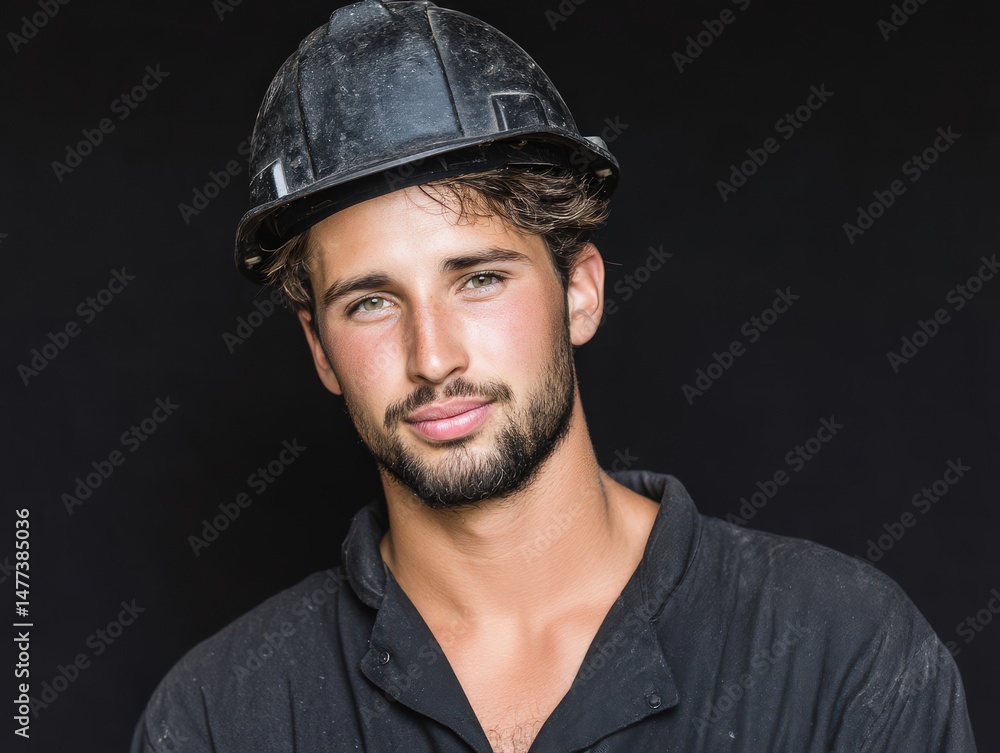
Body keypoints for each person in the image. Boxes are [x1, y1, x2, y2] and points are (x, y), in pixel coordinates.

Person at [132, 1, 977, 751]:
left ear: (580, 290)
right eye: (371, 303)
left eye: (481, 278)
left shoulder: (846, 656)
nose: (434, 357)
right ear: (320, 347)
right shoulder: (216, 719)